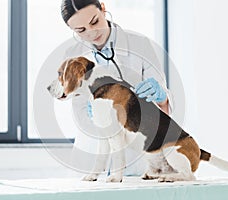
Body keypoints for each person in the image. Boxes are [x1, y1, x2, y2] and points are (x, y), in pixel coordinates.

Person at [60, 0, 174, 176]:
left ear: (103, 9)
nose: (92, 33)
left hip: (135, 154)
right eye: (81, 30)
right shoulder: (72, 56)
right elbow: (80, 113)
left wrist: (161, 97)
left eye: (94, 21)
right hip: (91, 152)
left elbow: (163, 110)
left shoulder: (140, 45)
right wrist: (97, 117)